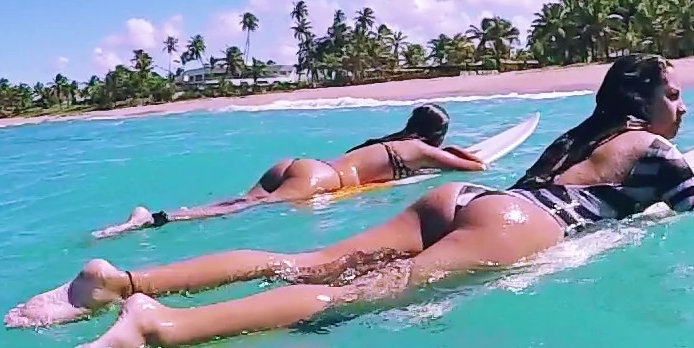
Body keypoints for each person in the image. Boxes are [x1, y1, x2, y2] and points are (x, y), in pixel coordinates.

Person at [9, 55, 694, 348]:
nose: (680, 107)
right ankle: (160, 326)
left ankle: (125, 281)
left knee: (302, 260)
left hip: (465, 201)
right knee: (352, 294)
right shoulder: (655, 149)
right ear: (643, 101)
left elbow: (531, 186)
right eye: (673, 95)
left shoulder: (578, 135)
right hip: (520, 224)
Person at [91, 103, 486, 237]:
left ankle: (160, 215)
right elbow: (476, 166)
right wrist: (449, 151)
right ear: (437, 134)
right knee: (240, 210)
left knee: (241, 201)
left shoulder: (387, 141)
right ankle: (155, 219)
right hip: (323, 181)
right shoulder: (421, 148)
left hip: (298, 165)